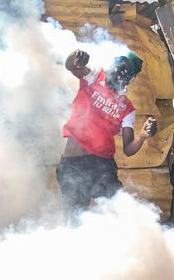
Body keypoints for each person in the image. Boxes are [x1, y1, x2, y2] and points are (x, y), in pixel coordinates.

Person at [56, 49, 157, 221]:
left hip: (101, 166)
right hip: (73, 164)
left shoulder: (127, 108)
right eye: (118, 66)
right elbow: (70, 66)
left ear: (128, 80)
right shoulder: (94, 77)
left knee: (115, 212)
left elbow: (128, 148)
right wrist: (75, 57)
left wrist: (142, 136)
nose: (118, 73)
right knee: (73, 217)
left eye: (124, 71)